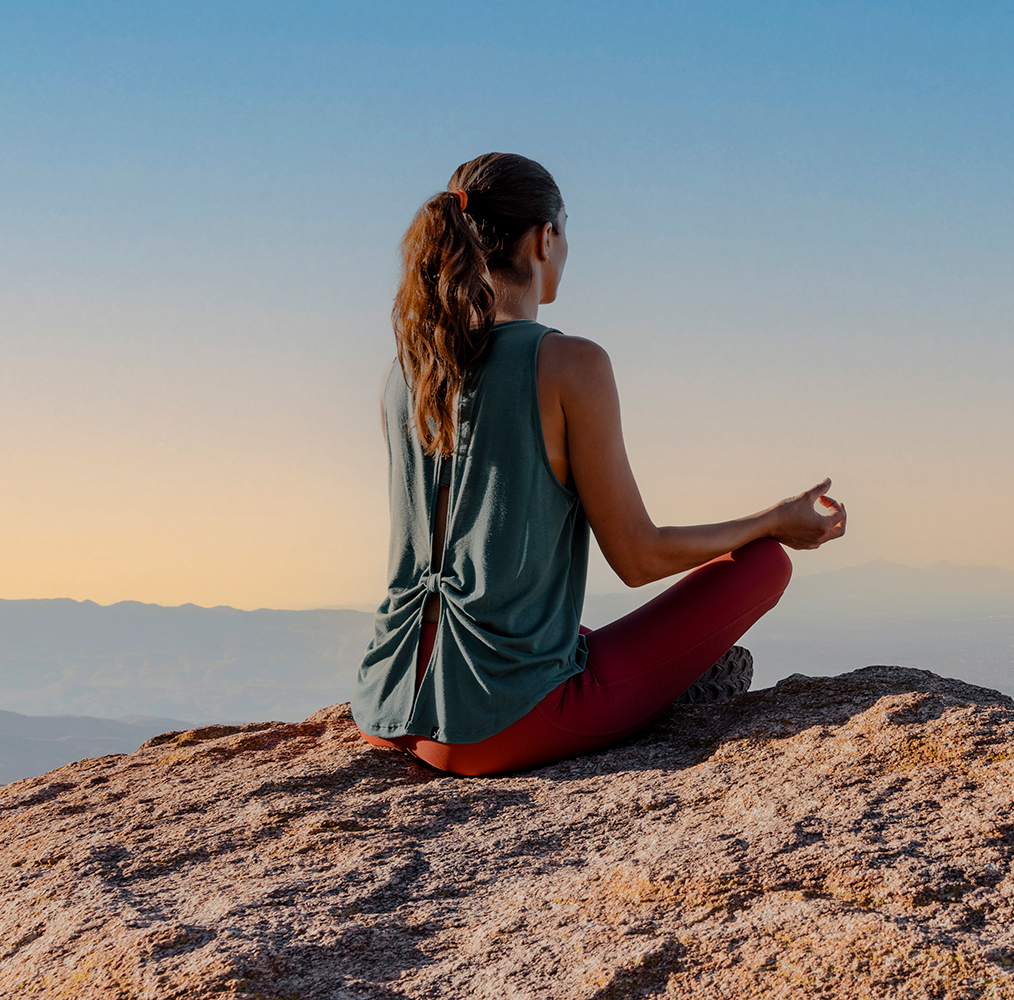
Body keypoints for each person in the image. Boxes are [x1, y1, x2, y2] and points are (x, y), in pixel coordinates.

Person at [353, 152, 848, 777]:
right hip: (494, 724)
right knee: (764, 565)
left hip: (388, 700)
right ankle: (668, 693)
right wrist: (774, 521)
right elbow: (637, 558)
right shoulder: (570, 364)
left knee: (574, 627)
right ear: (545, 237)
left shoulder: (406, 370)